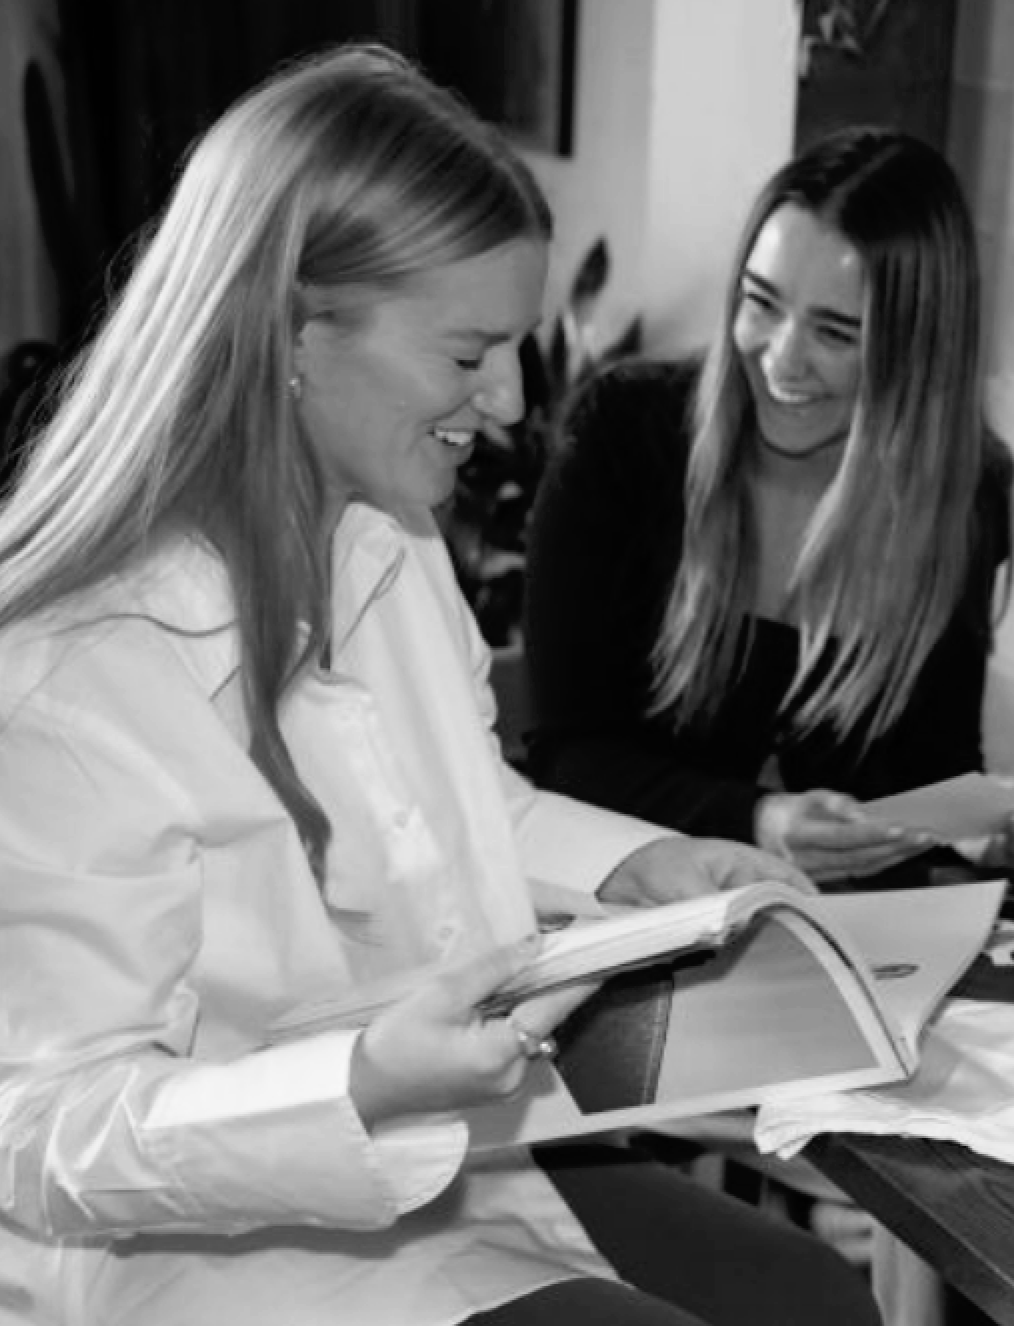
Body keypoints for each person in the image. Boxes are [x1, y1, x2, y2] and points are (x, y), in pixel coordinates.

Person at [0, 45, 881, 1326]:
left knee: (804, 1294)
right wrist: (359, 1085)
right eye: (470, 353)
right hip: (191, 1258)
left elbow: (472, 803)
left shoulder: (389, 541)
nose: (514, 401)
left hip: (441, 1176)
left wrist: (649, 866)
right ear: (296, 332)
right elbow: (41, 1128)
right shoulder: (71, 669)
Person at [524, 127, 1014, 884]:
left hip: (859, 941)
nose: (782, 359)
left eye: (836, 332)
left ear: (916, 352)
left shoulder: (964, 491)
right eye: (761, 303)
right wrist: (761, 820)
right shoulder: (622, 434)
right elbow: (566, 755)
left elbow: (927, 773)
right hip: (641, 924)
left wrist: (974, 831)